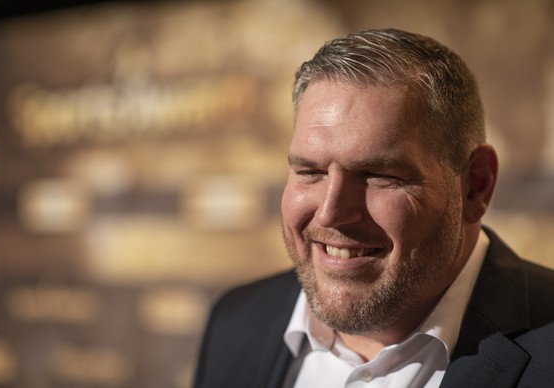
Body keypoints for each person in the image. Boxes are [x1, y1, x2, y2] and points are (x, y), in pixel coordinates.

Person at [193, 28, 554, 388]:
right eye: (310, 171)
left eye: (378, 174)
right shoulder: (235, 322)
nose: (330, 213)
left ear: (475, 185)